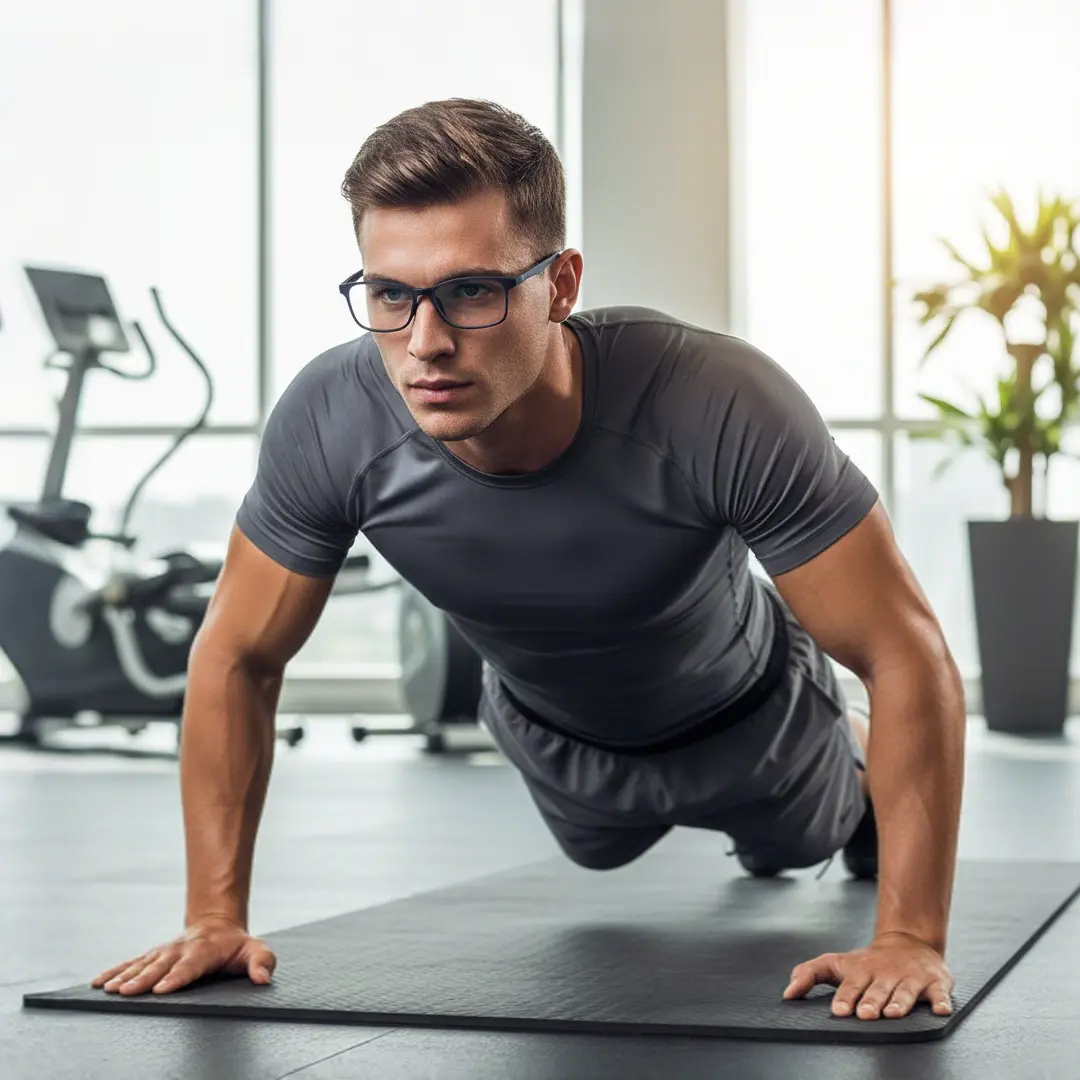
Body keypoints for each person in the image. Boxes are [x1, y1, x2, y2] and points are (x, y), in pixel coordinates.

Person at [93, 98, 966, 1023]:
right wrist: (212, 917)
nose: (425, 341)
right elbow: (236, 653)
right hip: (552, 735)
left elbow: (906, 648)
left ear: (561, 284)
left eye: (471, 290)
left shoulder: (716, 400)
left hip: (749, 717)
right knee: (598, 851)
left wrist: (910, 938)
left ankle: (852, 750)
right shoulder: (330, 421)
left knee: (794, 845)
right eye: (390, 295)